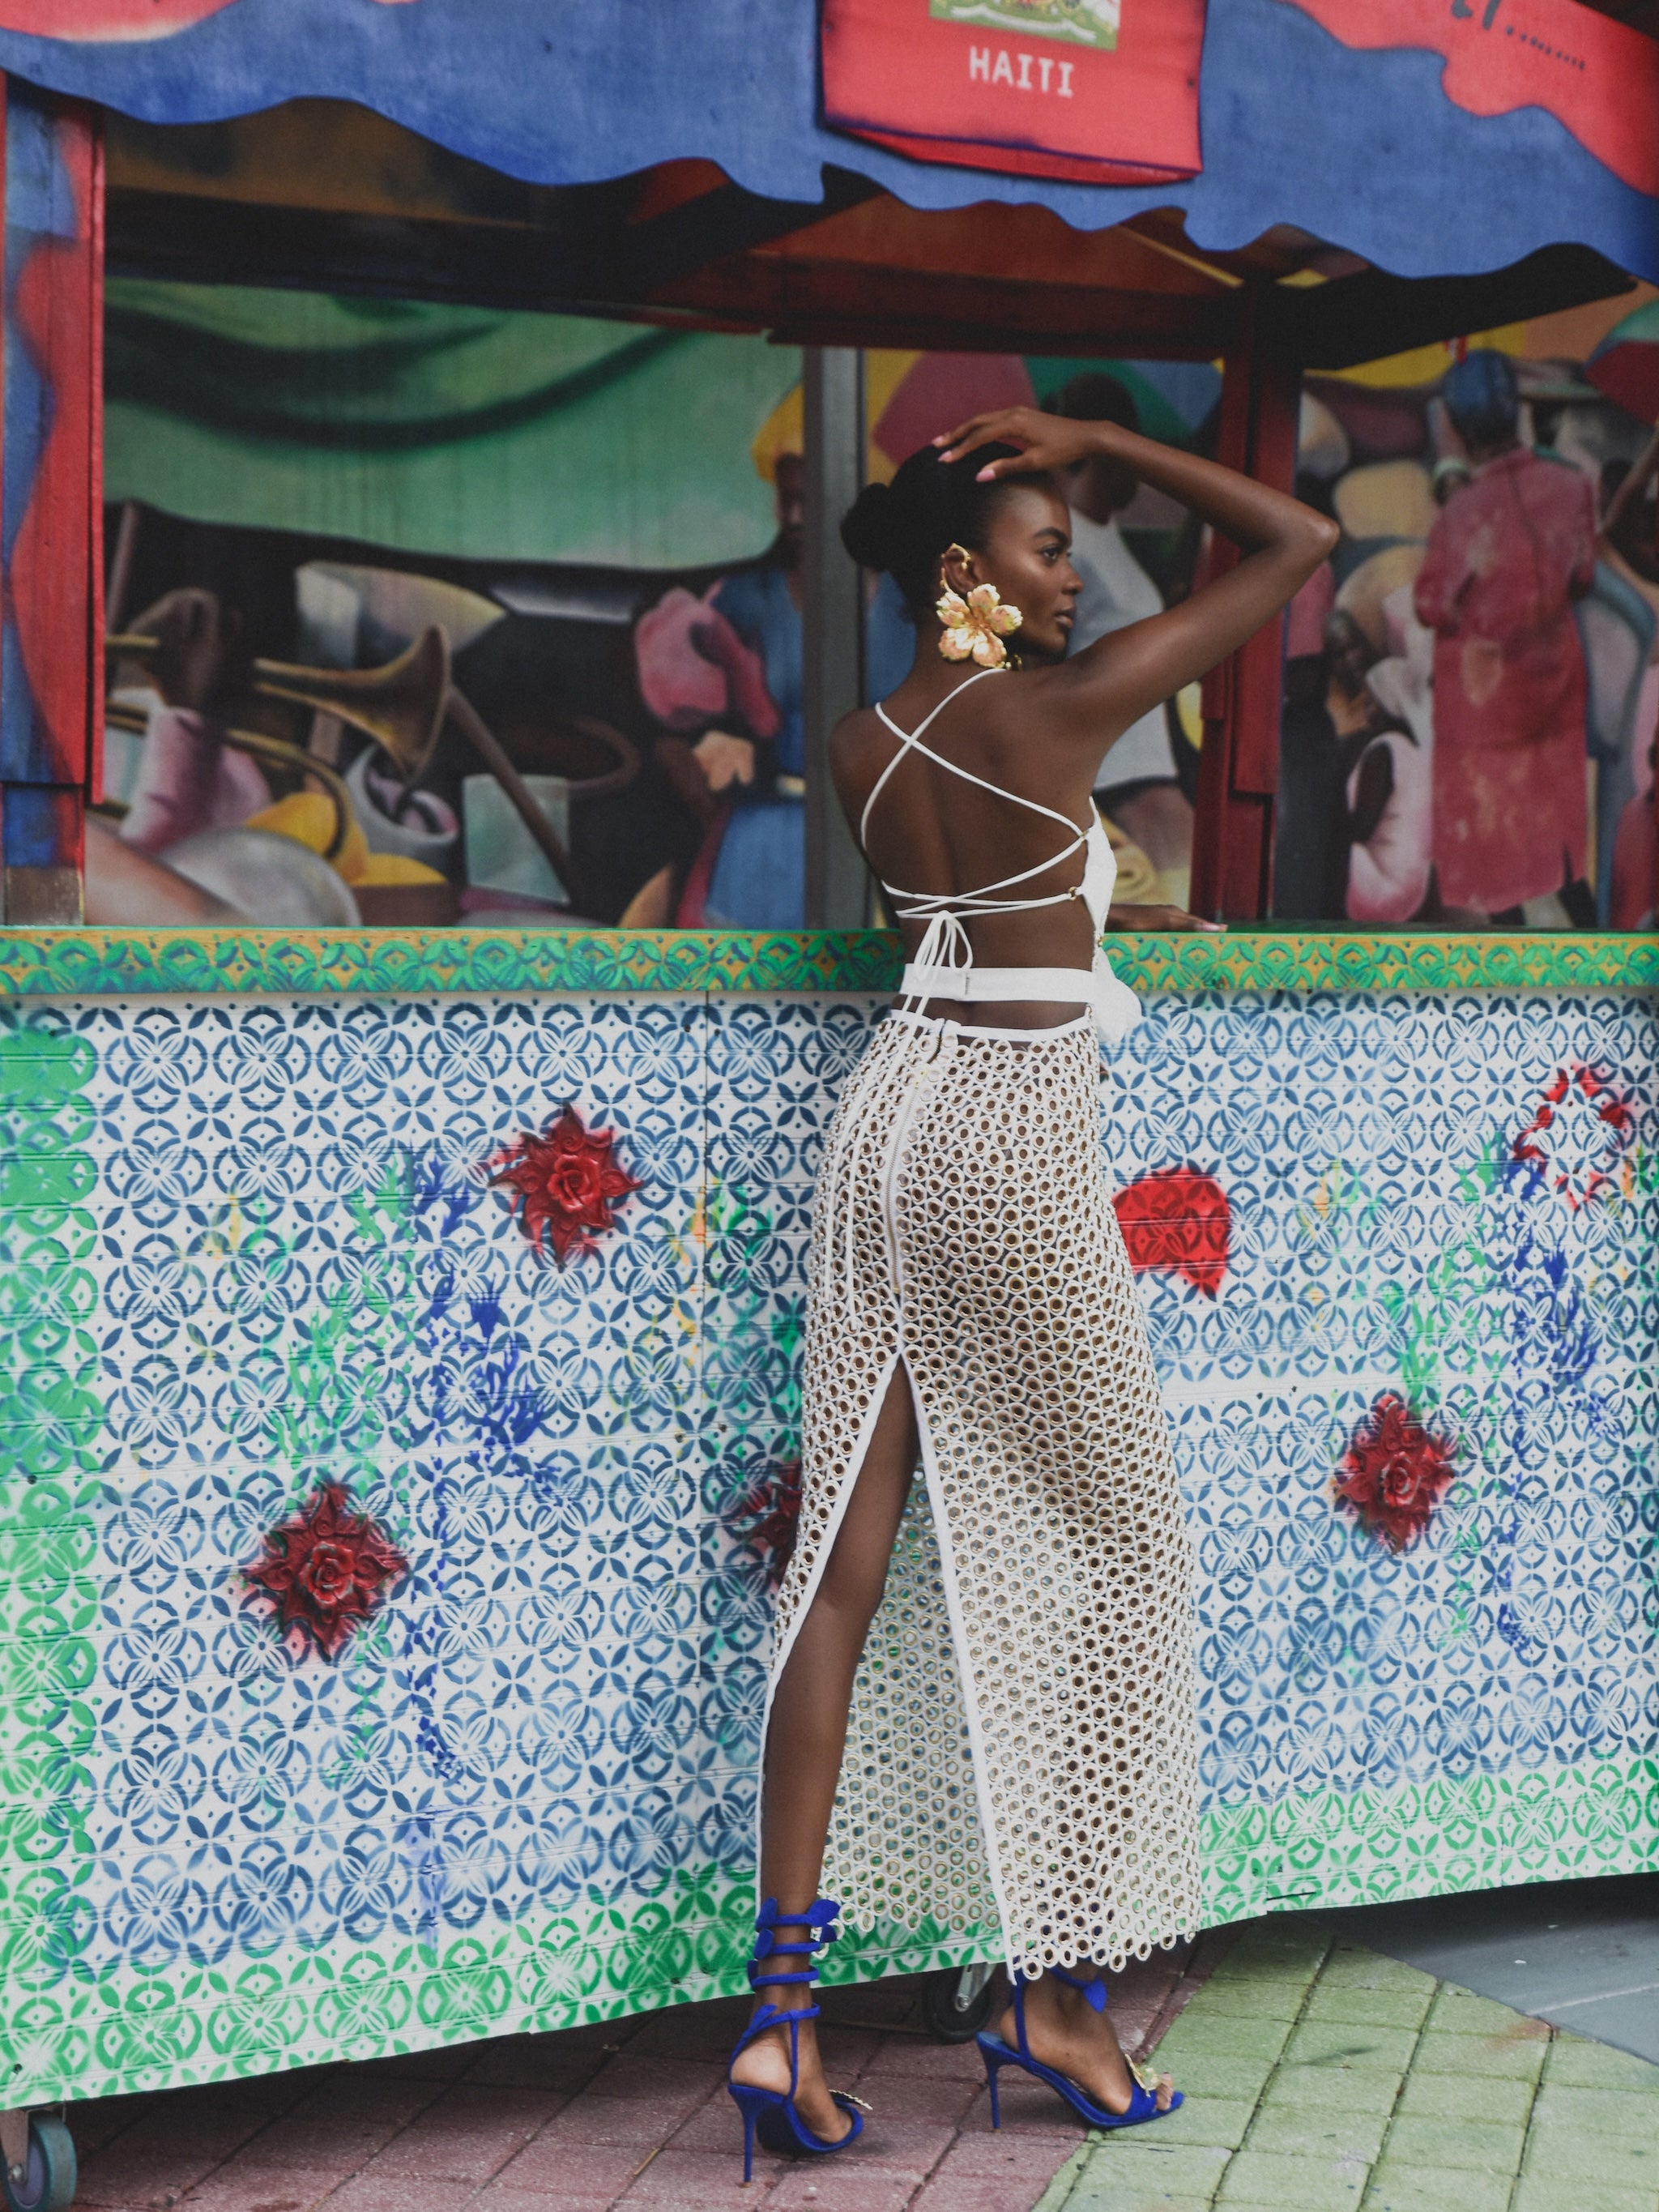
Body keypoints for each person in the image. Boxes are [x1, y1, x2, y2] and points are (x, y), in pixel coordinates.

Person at [723, 404, 1335, 2176]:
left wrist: (1095, 921)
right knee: (1122, 1557)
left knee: (840, 1568)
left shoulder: (863, 737)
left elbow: (982, 907)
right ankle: (1057, 2001)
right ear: (960, 570)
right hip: (1005, 1130)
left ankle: (779, 2021)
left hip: (885, 1122)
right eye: (1051, 547)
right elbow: (1296, 544)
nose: (1077, 580)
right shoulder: (1050, 714)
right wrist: (1098, 427)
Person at [1414, 350, 1596, 921]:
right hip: (1555, 699)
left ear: (1460, 427)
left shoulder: (1462, 513)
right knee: (1563, 853)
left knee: (1494, 871)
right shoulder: (1573, 488)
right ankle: (1597, 942)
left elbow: (1431, 605)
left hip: (1485, 713)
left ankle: (1507, 967)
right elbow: (1583, 578)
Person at [1047, 372, 1196, 903]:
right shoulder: (1065, 541)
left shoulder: (1102, 532)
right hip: (1112, 780)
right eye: (1132, 451)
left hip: (1143, 770)